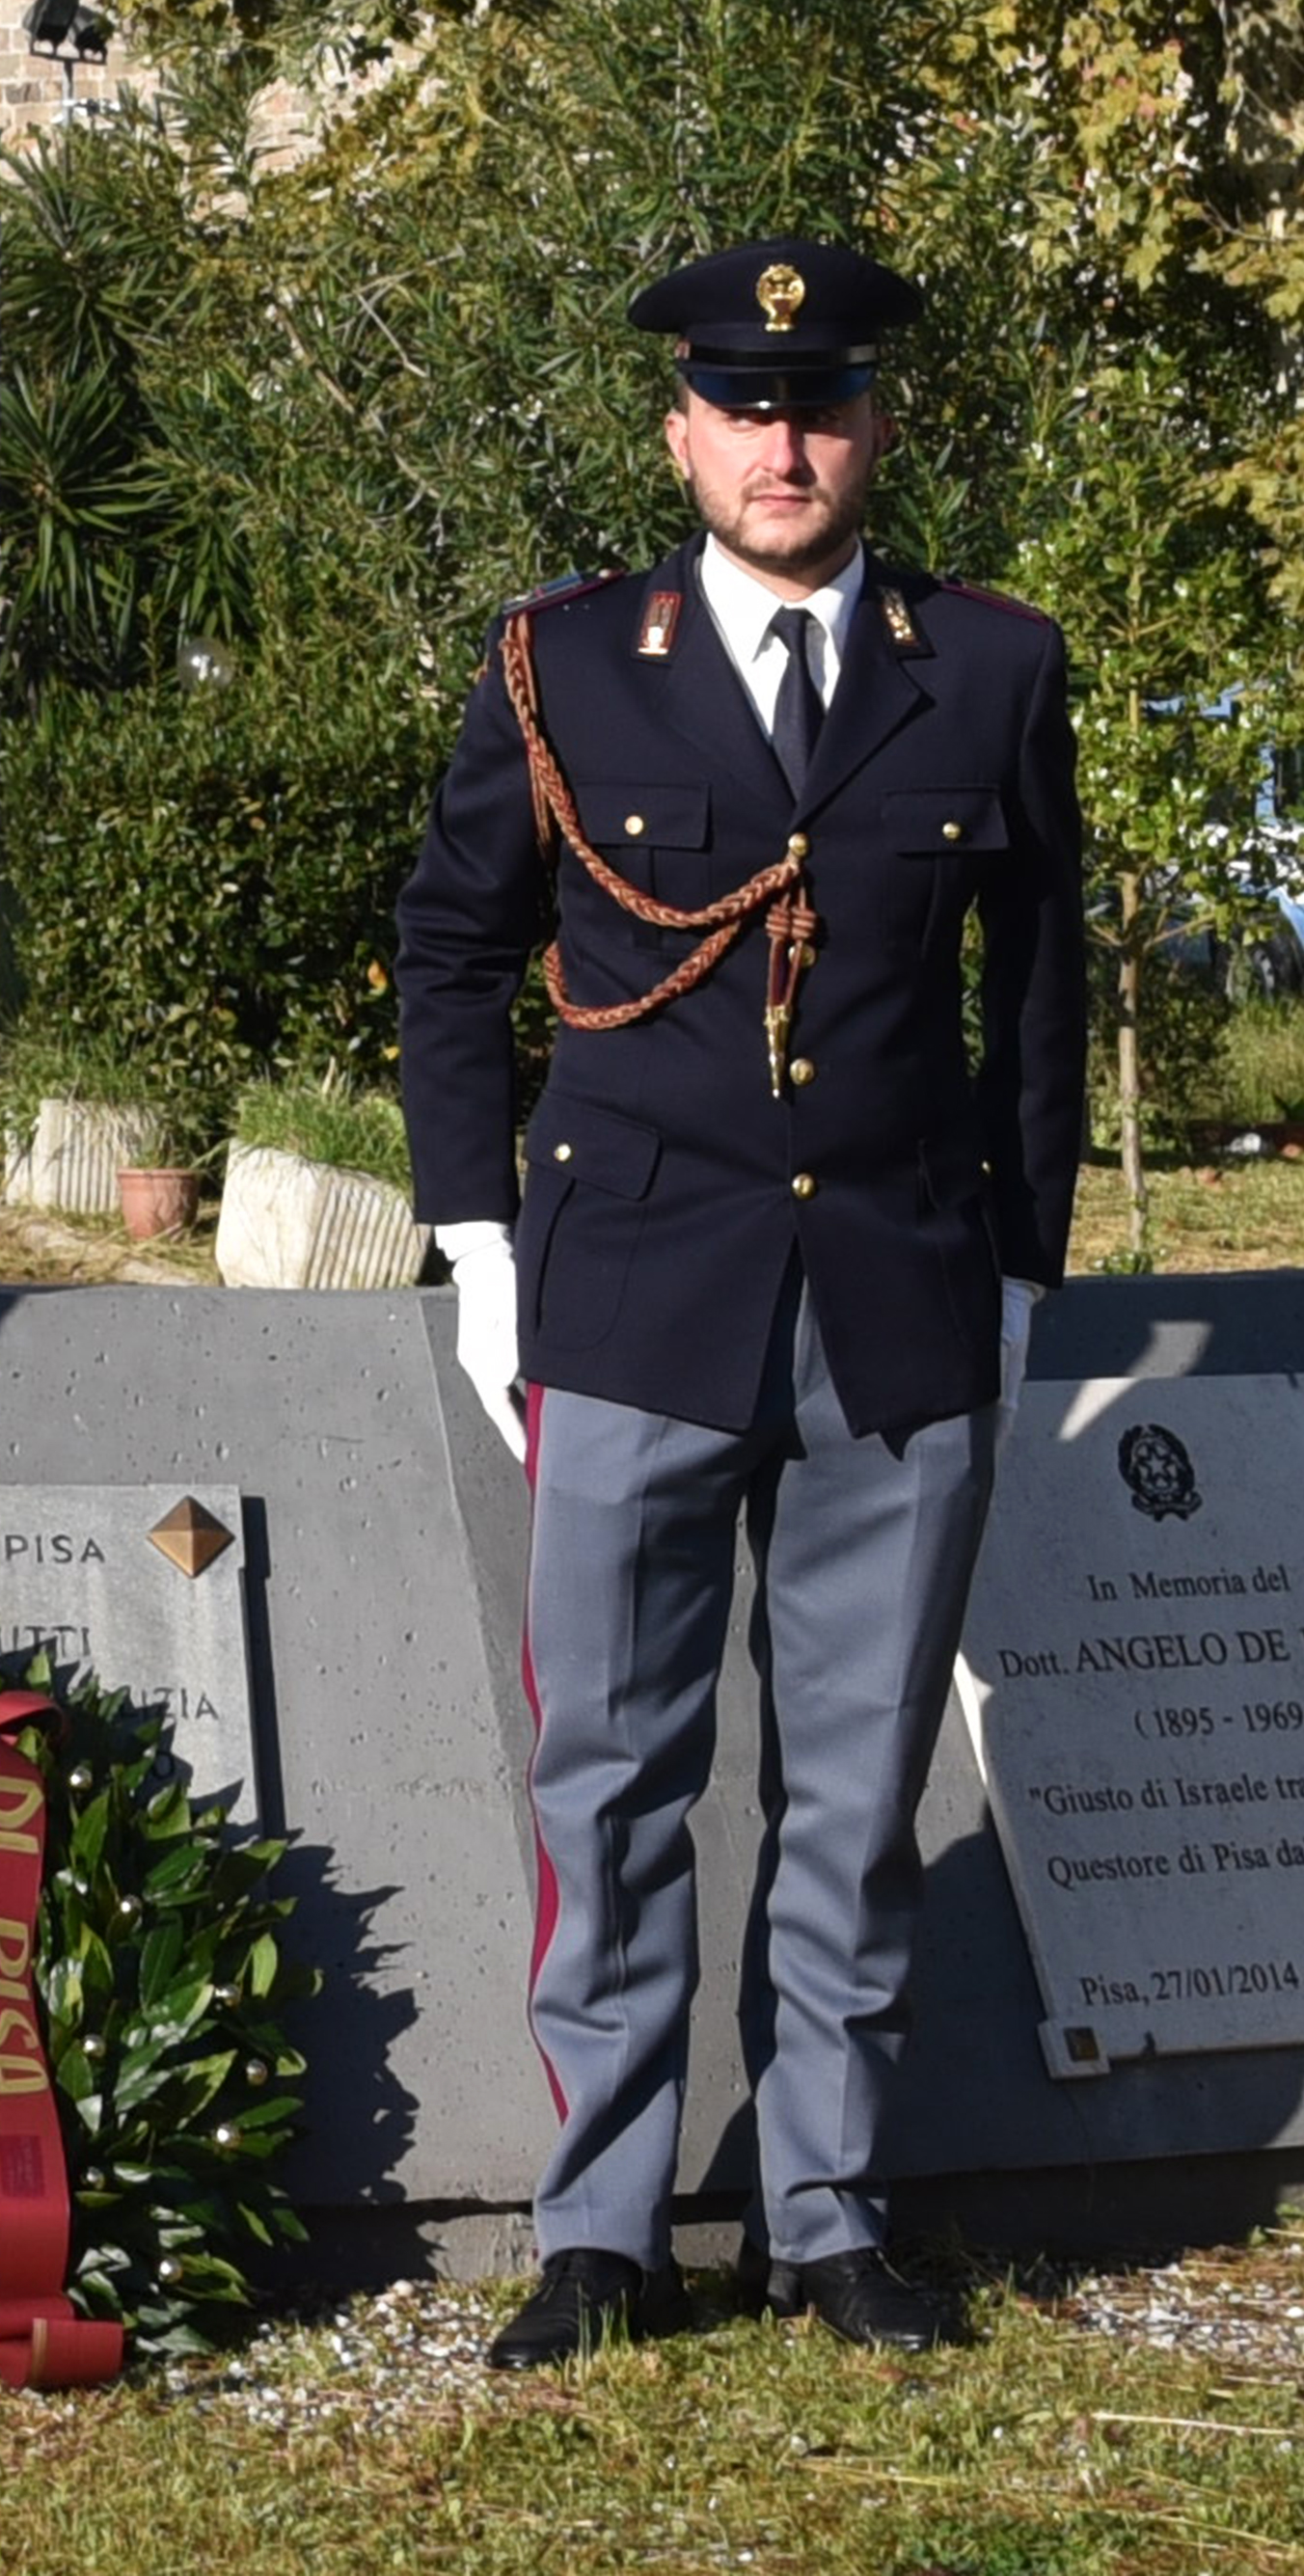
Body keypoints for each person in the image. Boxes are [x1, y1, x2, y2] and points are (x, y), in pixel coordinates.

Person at [393, 231, 1084, 2364]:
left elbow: (1036, 992)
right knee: (606, 1774)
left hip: (894, 1294)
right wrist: (479, 1241)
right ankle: (597, 2223)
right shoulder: (563, 664)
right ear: (676, 427)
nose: (781, 443)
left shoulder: (979, 666)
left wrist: (1026, 1270)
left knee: (856, 1788)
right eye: (742, 406)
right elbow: (448, 952)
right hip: (630, 1291)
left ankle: (827, 2205)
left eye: (819, 406)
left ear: (872, 426)